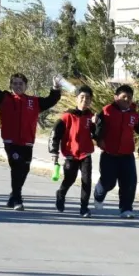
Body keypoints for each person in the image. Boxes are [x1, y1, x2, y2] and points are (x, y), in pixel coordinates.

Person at [0, 73, 62, 210]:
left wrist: (56, 87)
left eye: (21, 83)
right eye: (15, 83)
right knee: (16, 168)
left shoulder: (33, 101)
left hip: (27, 142)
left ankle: (13, 196)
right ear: (10, 85)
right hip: (11, 142)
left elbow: (51, 100)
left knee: (24, 169)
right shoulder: (4, 98)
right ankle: (17, 199)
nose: (18, 86)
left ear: (26, 86)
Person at [92, 84, 139, 219]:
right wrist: (98, 138)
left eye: (129, 98)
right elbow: (97, 129)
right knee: (108, 182)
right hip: (109, 155)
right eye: (124, 97)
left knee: (129, 183)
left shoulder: (134, 115)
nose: (127, 100)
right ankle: (98, 195)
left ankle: (126, 208)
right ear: (116, 97)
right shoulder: (107, 111)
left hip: (127, 155)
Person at [49, 85, 96, 216]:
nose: (84, 100)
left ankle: (84, 207)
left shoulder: (91, 117)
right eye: (82, 97)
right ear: (76, 99)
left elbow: (98, 135)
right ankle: (61, 193)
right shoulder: (67, 116)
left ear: (90, 100)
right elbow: (55, 134)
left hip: (85, 154)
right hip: (70, 154)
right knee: (70, 179)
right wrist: (54, 152)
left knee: (87, 181)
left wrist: (97, 124)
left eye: (88, 98)